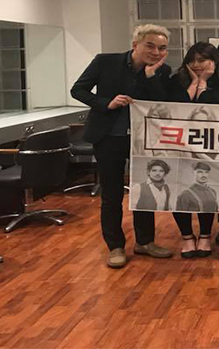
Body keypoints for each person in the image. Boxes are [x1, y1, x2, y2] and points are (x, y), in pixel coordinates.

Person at [71, 24, 173, 269]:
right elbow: (78, 90)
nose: (156, 52)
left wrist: (150, 76)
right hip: (108, 137)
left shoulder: (163, 70)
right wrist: (106, 102)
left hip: (142, 140)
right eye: (150, 46)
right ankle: (115, 246)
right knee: (112, 194)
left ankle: (145, 242)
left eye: (162, 48)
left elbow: (161, 103)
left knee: (145, 193)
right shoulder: (105, 62)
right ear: (135, 44)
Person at [164, 42, 219, 257]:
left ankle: (205, 236)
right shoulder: (176, 81)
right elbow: (176, 107)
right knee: (179, 190)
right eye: (193, 60)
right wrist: (194, 84)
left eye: (202, 60)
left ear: (214, 62)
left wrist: (203, 84)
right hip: (178, 146)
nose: (197, 64)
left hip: (211, 146)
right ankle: (187, 237)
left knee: (206, 189)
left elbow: (213, 107)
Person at [174, 162, 219, 258]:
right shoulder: (185, 194)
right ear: (193, 173)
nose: (203, 175)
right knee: (180, 206)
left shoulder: (212, 191)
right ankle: (188, 237)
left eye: (206, 172)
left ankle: (205, 236)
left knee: (208, 202)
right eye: (199, 172)